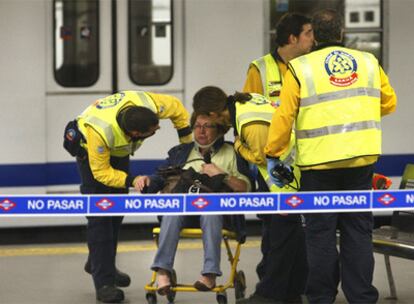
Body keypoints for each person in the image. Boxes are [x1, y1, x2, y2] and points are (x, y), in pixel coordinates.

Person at [264, 9, 397, 304]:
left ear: (313, 36)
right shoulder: (367, 62)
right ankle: (362, 297)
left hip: (318, 166)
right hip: (360, 162)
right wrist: (359, 111)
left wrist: (272, 152)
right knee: (358, 232)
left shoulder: (299, 68)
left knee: (320, 235)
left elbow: (284, 117)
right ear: (342, 34)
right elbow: (389, 103)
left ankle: (322, 297)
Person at [71, 90, 192, 303]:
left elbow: (177, 109)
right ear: (135, 133)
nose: (156, 131)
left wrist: (187, 146)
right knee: (101, 217)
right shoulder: (101, 132)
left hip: (119, 152)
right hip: (90, 156)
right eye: (152, 132)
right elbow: (102, 173)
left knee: (117, 213)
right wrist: (131, 179)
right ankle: (104, 283)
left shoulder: (150, 105)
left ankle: (100, 261)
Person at [134, 112, 251, 297]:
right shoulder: (181, 151)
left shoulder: (232, 152)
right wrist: (146, 180)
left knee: (210, 211)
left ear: (219, 130)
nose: (201, 131)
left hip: (220, 213)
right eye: (197, 126)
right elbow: (161, 176)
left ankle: (210, 274)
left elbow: (244, 188)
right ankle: (163, 272)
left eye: (208, 126)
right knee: (173, 210)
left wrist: (222, 175)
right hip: (184, 211)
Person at [240, 13, 313, 304]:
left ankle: (281, 290)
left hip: (306, 159)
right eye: (308, 33)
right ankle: (278, 289)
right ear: (292, 38)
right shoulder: (260, 69)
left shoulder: (311, 65)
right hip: (273, 164)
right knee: (276, 228)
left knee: (291, 229)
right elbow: (248, 113)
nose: (312, 39)